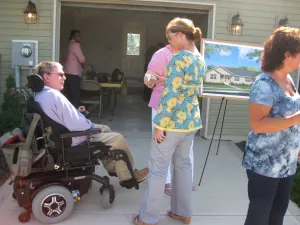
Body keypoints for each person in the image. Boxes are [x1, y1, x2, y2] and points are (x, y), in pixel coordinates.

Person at [133, 18, 205, 225]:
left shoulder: (178, 59)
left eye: (170, 37)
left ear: (180, 35)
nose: (169, 42)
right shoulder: (199, 59)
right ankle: (183, 211)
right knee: (183, 167)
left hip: (171, 123)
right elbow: (192, 91)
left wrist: (159, 125)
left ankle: (147, 217)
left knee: (158, 168)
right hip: (191, 123)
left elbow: (170, 95)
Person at [34, 61, 149, 188]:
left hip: (61, 134)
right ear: (47, 77)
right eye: (60, 75)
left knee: (105, 128)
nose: (65, 78)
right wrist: (91, 127)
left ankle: (112, 167)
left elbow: (57, 117)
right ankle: (128, 177)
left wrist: (76, 113)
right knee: (117, 139)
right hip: (71, 138)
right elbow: (79, 125)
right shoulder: (54, 95)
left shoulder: (41, 95)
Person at [242, 27, 300, 225]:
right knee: (259, 218)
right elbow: (258, 125)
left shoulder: (289, 79)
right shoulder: (264, 84)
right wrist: (297, 119)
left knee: (277, 216)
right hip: (264, 165)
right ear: (287, 54)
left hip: (286, 163)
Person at [144, 36, 195, 196]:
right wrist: (152, 80)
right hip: (163, 106)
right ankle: (166, 181)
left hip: (184, 108)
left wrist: (171, 80)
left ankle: (185, 181)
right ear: (177, 36)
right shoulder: (162, 54)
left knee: (186, 148)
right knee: (162, 147)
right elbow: (148, 78)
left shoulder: (192, 54)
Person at [63, 29, 85, 108]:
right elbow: (82, 59)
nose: (79, 37)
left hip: (67, 72)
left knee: (69, 94)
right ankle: (76, 113)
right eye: (77, 35)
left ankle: (69, 111)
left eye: (80, 35)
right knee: (76, 95)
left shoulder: (69, 44)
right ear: (73, 36)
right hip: (74, 73)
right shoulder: (75, 45)